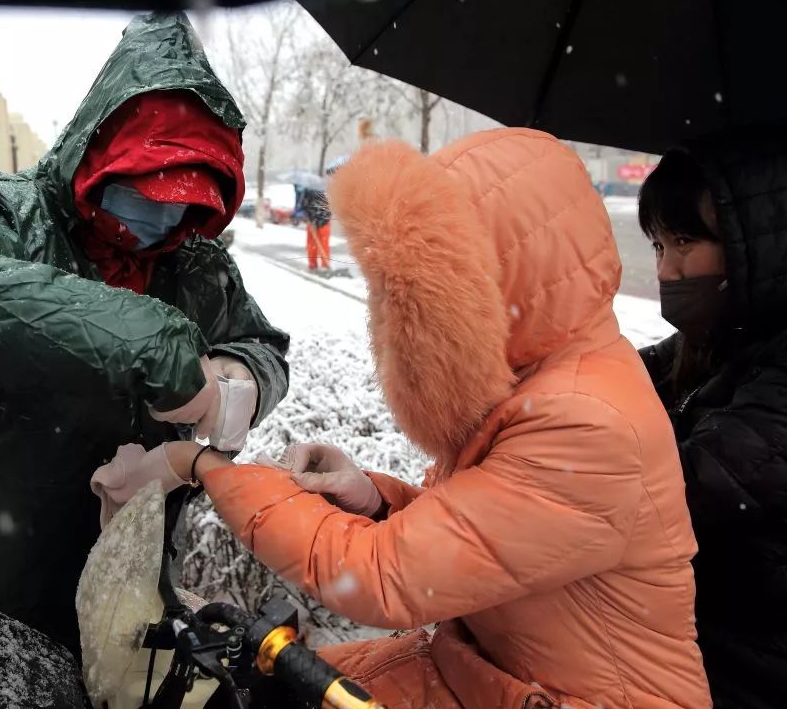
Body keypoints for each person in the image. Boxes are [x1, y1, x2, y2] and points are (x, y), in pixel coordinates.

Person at [98, 130, 712, 707]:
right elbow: (482, 535)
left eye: (424, 293)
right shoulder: (544, 375)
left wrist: (200, 463)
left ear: (497, 276)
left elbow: (382, 576)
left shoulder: (589, 423)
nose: (404, 323)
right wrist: (372, 500)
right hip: (500, 679)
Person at [0, 12, 289, 656]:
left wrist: (236, 384)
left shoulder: (196, 264)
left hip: (126, 576)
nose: (161, 218)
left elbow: (261, 347)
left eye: (183, 200)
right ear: (98, 155)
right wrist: (152, 347)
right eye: (145, 190)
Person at [637, 133, 787, 708]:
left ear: (753, 247)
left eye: (682, 242)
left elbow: (686, 484)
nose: (667, 269)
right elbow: (608, 383)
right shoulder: (714, 339)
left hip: (750, 671)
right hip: (691, 642)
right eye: (655, 246)